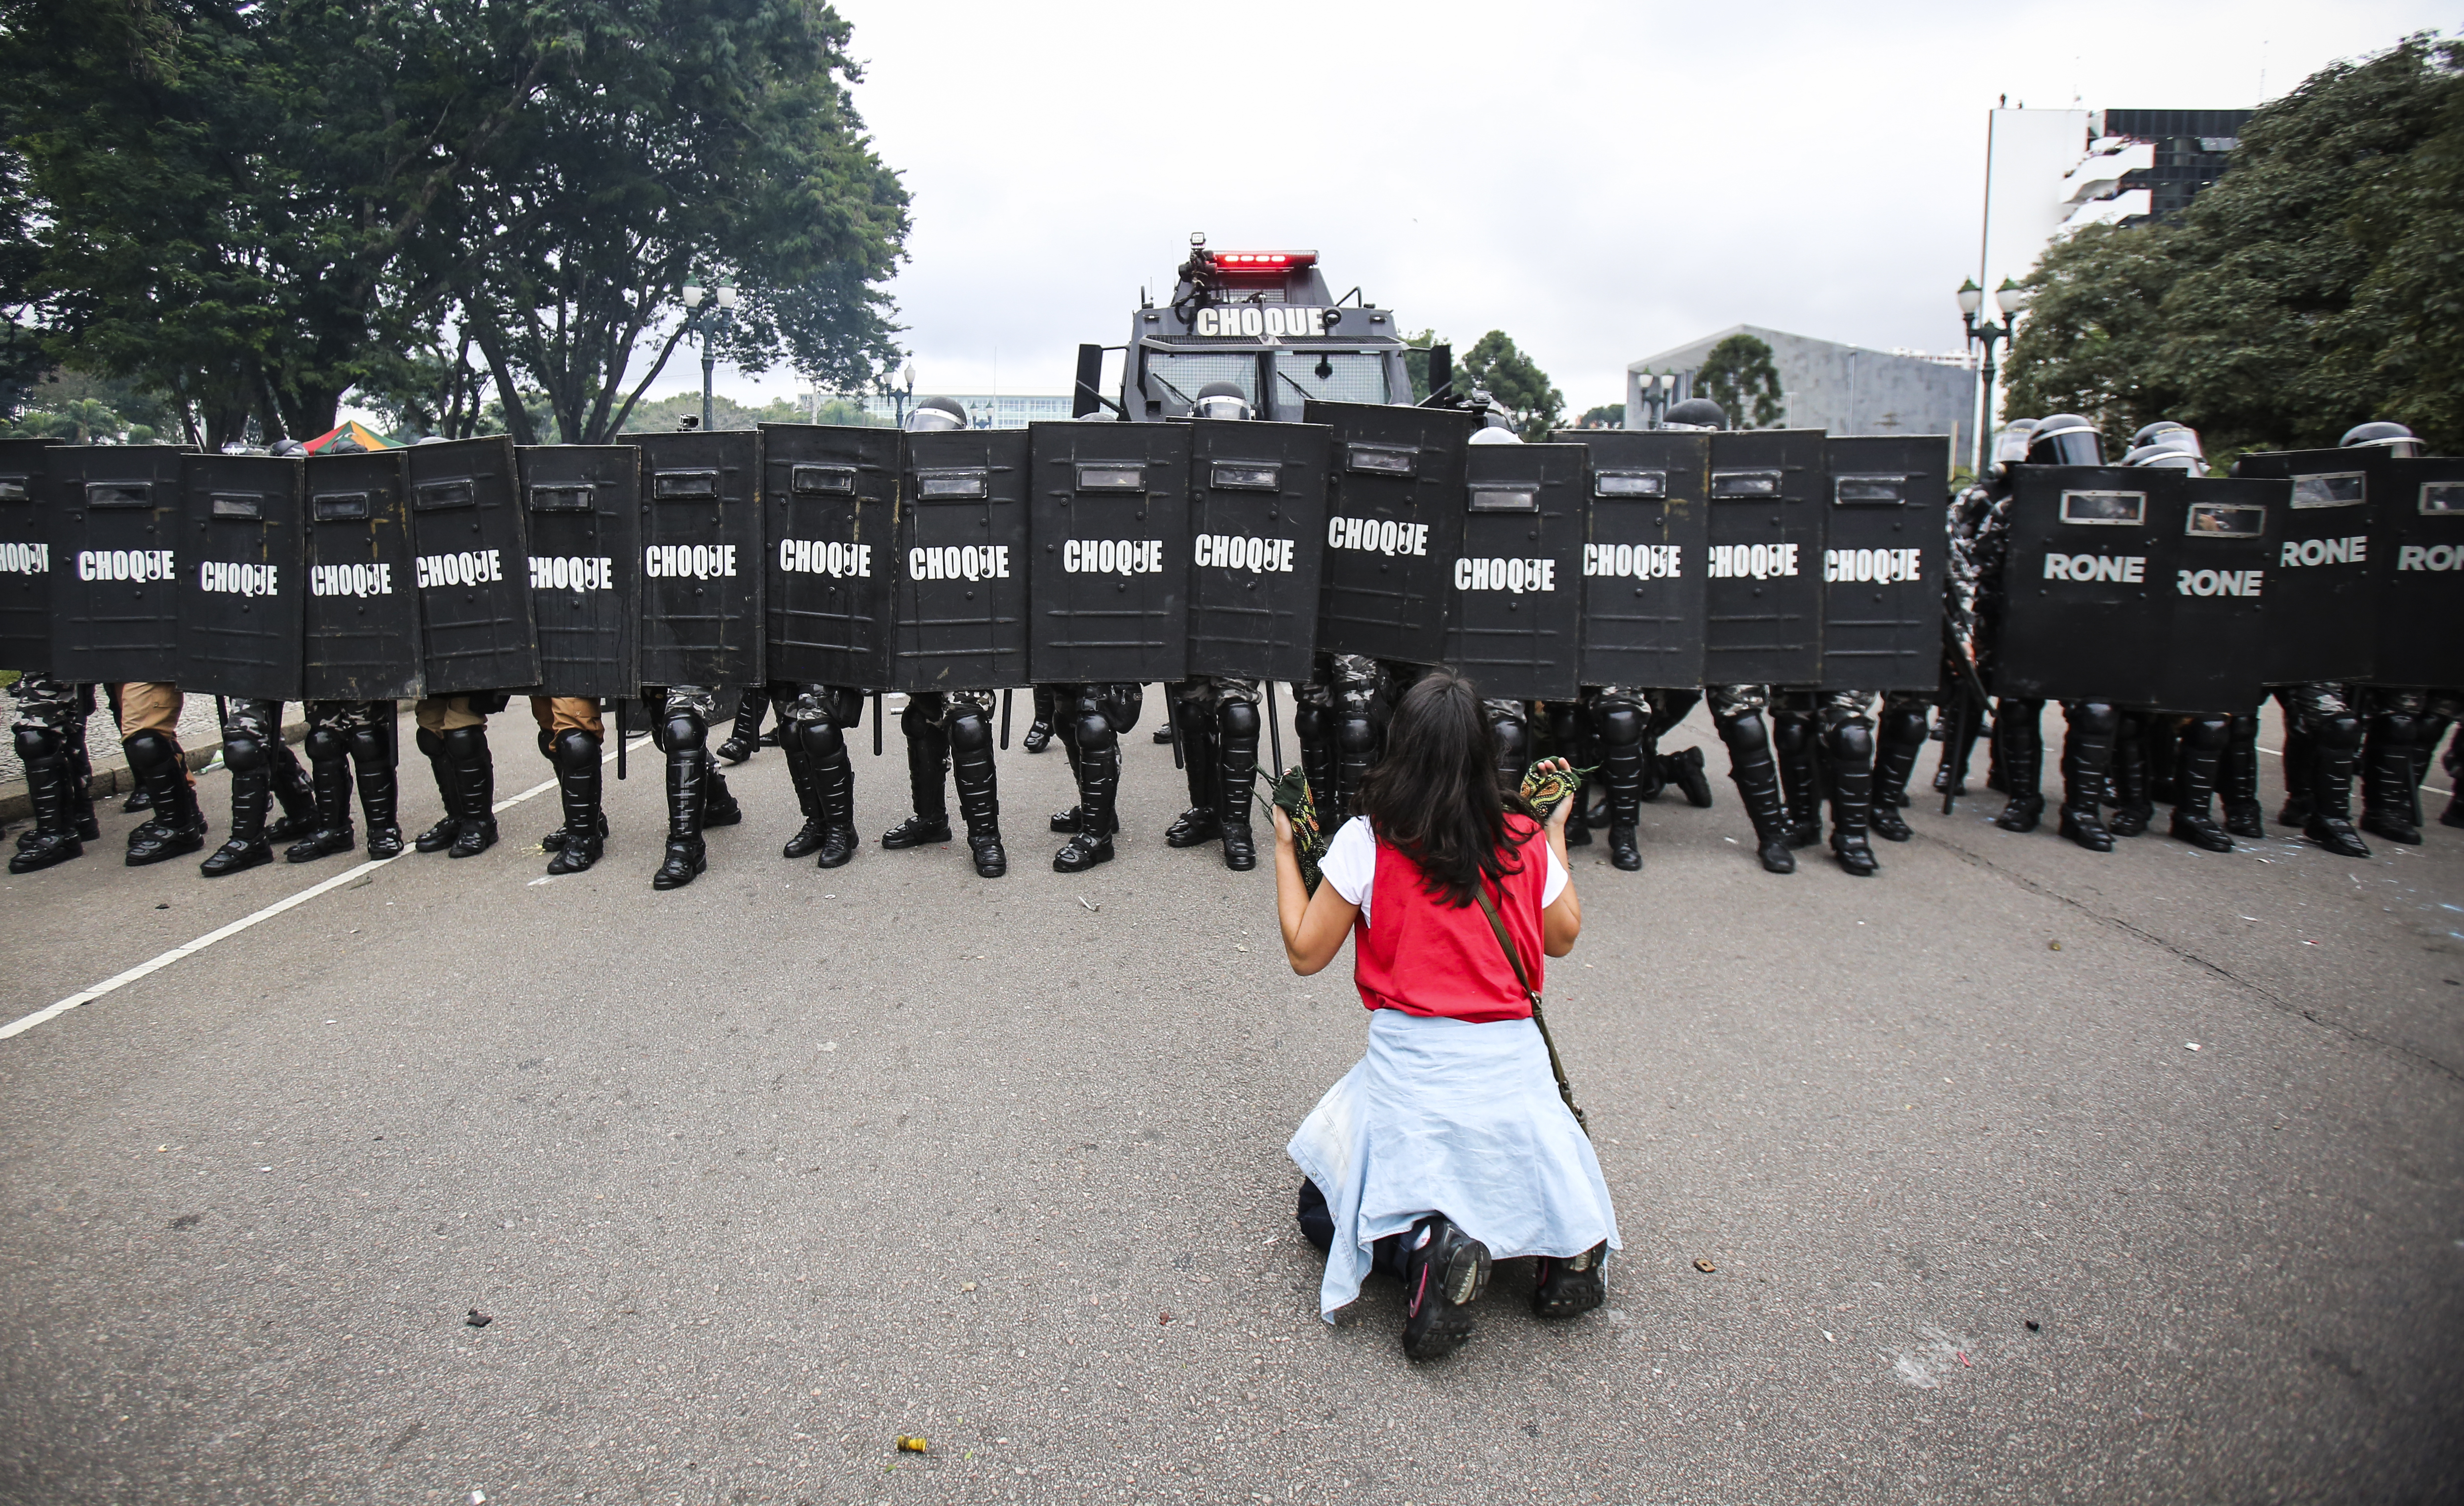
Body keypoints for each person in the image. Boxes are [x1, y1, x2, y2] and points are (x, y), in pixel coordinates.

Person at [1273, 668, 1617, 1361]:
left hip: (1414, 1070)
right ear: (1487, 750)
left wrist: (1285, 847)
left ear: (1398, 745)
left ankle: (1427, 1249)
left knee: (1318, 1209)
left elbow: (1306, 953)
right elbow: (1562, 936)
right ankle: (1564, 1249)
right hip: (1514, 1071)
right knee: (1509, 1171)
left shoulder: (1369, 838)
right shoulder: (1520, 833)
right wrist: (1553, 833)